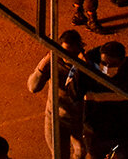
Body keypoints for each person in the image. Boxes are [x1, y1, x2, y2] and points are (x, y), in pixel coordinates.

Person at [82, 40, 128, 159]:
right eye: (104, 63)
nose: (107, 68)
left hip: (126, 137)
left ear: (122, 61)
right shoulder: (90, 73)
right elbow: (74, 94)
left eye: (113, 65)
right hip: (97, 137)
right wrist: (79, 68)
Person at [29, 28, 87, 159]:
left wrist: (86, 66)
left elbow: (103, 79)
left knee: (82, 151)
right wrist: (45, 62)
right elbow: (33, 87)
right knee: (59, 156)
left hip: (80, 120)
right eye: (65, 52)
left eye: (74, 53)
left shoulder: (85, 64)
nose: (69, 57)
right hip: (56, 118)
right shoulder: (53, 62)